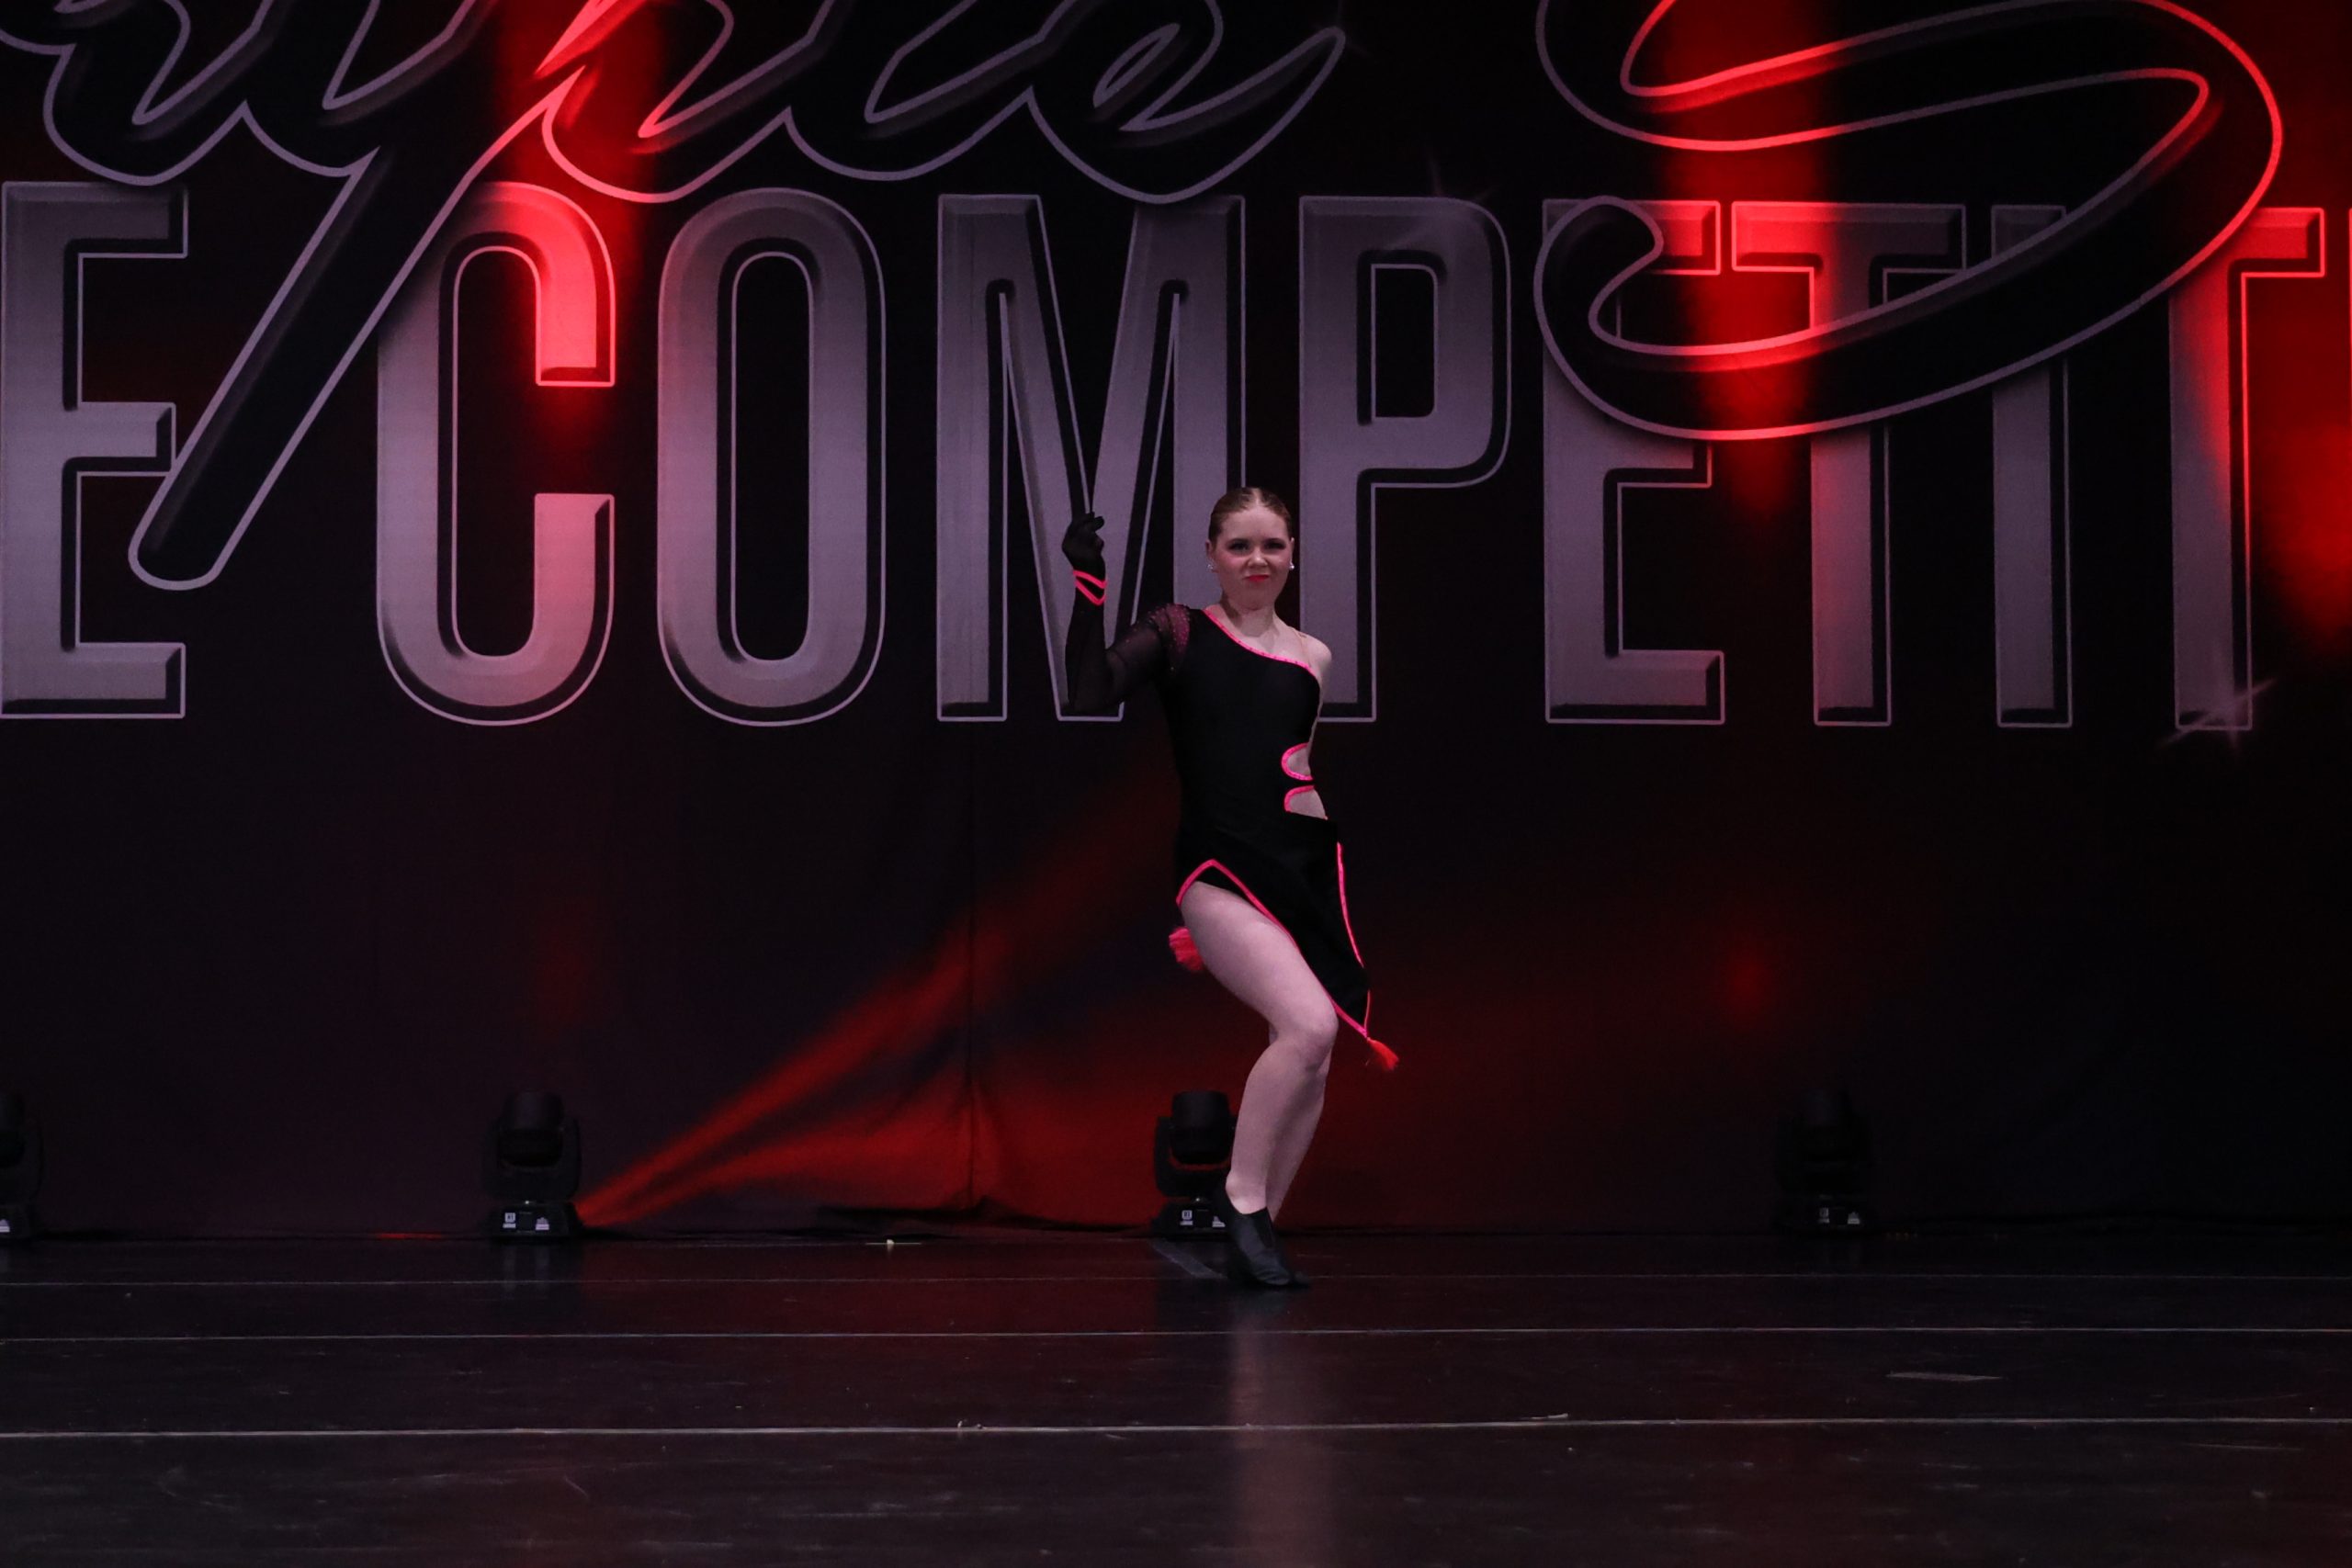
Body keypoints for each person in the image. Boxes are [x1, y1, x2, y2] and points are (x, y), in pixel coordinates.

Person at [1061, 488, 1395, 1289]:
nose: (1257, 560)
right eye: (1239, 545)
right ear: (1211, 554)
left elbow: (1291, 765)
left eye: (1272, 545)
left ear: (1293, 554)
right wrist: (1088, 588)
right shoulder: (1179, 631)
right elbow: (1089, 691)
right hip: (1218, 871)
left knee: (1315, 1056)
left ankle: (1261, 1221)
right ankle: (1239, 1201)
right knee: (1309, 1025)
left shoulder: (1314, 657)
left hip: (1302, 870)